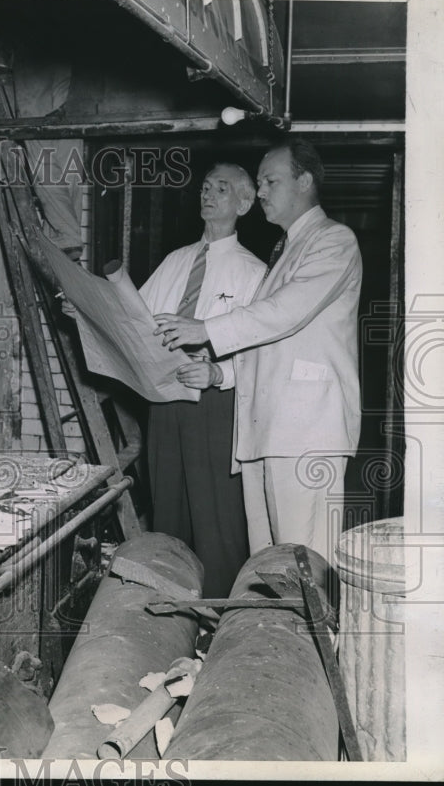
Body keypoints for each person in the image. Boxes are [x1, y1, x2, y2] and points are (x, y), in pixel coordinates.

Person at [154, 139, 362, 565]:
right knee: (268, 568)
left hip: (306, 432)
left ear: (304, 182)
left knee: (303, 564)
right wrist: (220, 374)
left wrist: (205, 328)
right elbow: (260, 343)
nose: (262, 190)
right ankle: (266, 633)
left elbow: (284, 313)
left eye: (270, 181)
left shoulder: (334, 241)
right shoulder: (286, 249)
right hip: (268, 430)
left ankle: (310, 634)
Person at [138, 163, 265, 597]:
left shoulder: (254, 273)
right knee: (167, 507)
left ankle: (217, 612)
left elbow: (262, 351)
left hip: (215, 405)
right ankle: (167, 606)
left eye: (222, 189)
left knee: (215, 515)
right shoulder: (175, 261)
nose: (208, 194)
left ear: (245, 204)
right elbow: (134, 320)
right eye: (205, 186)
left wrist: (218, 373)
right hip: (164, 395)